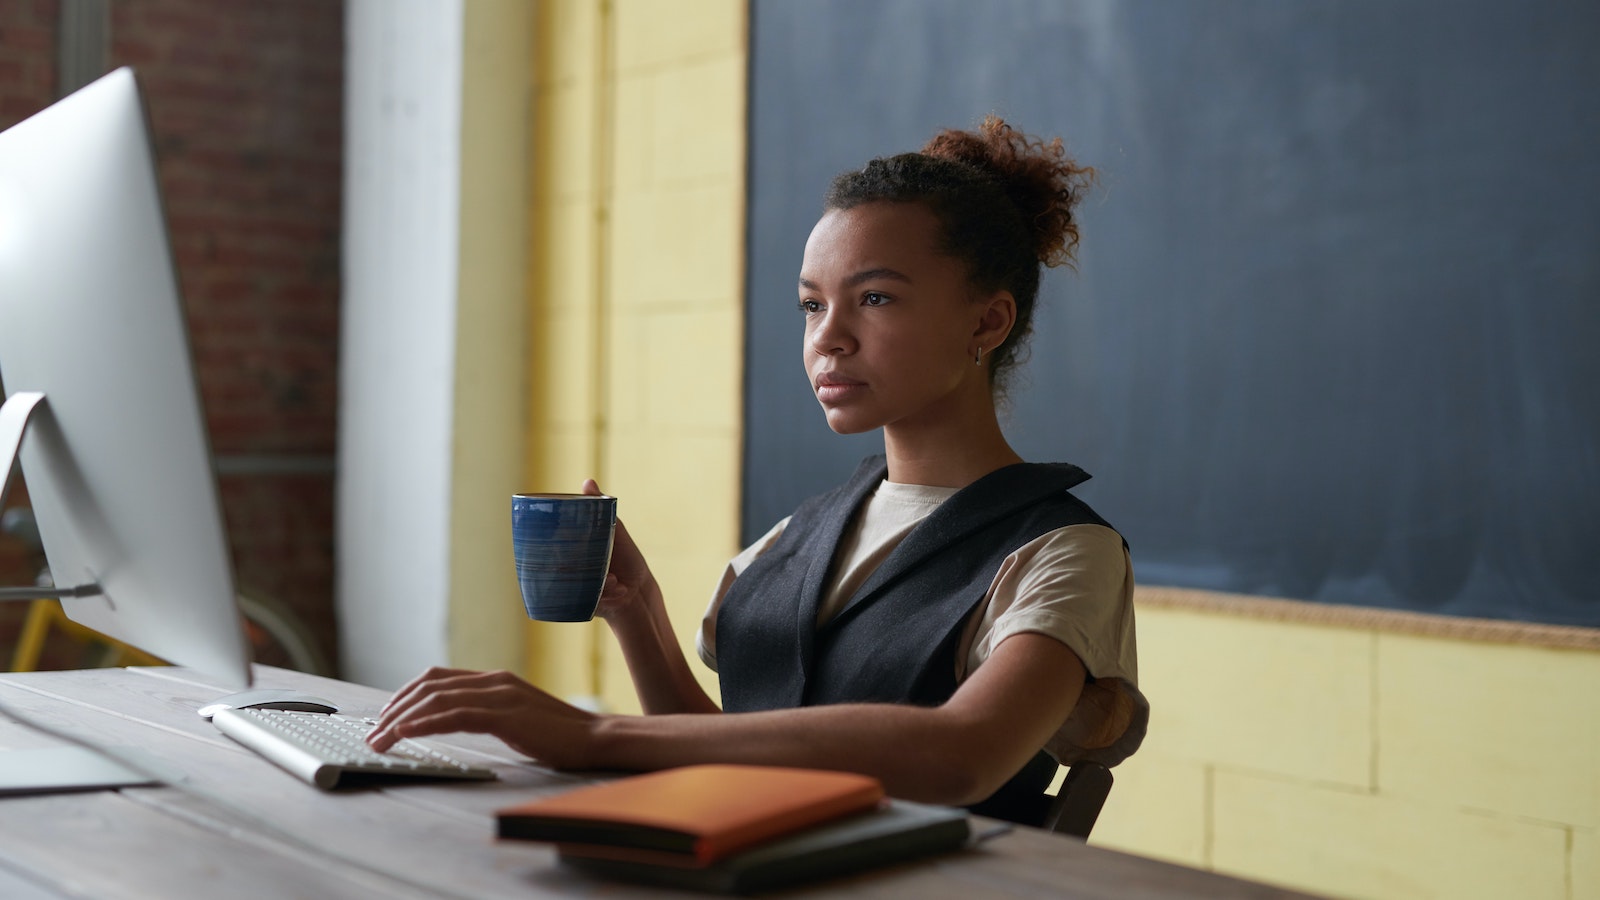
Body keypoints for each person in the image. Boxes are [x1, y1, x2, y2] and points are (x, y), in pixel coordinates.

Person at [368, 116, 1147, 826]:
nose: (828, 339)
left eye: (873, 298)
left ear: (988, 320)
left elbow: (962, 754)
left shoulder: (1064, 551)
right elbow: (725, 749)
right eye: (812, 306)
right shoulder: (803, 531)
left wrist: (593, 734)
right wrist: (640, 615)